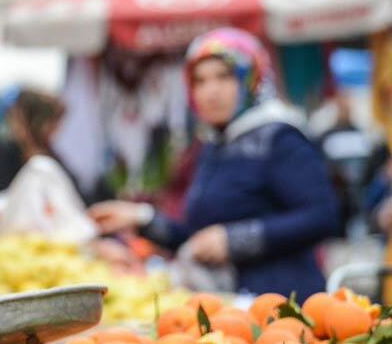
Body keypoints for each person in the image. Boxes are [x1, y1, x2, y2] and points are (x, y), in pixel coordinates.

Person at [91, 28, 338, 297]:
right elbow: (199, 237)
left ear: (253, 78)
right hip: (226, 304)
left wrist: (234, 241)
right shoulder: (214, 145)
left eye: (224, 76)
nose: (211, 92)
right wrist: (140, 218)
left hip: (283, 306)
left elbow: (322, 215)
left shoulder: (279, 137)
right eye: (199, 81)